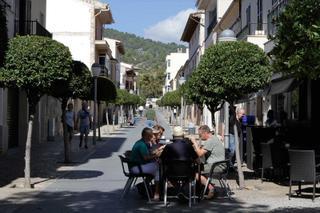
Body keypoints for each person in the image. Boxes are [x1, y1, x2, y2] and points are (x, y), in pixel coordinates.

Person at [160, 126, 197, 200]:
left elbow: (161, 159)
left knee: (165, 174)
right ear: (183, 136)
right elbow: (195, 158)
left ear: (173, 136)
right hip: (187, 173)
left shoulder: (168, 147)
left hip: (171, 173)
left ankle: (179, 189)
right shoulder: (189, 146)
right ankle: (182, 190)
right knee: (192, 174)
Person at [189, 125, 225, 199]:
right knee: (198, 167)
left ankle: (211, 188)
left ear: (205, 133)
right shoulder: (213, 138)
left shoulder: (210, 140)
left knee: (194, 172)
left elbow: (199, 153)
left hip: (217, 166)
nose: (200, 137)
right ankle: (204, 189)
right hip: (217, 164)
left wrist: (194, 142)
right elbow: (202, 150)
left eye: (200, 135)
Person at [130, 127, 163, 200]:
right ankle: (157, 193)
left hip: (135, 166)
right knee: (158, 167)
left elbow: (148, 154)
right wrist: (156, 155)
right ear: (146, 136)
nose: (152, 137)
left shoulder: (140, 142)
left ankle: (144, 184)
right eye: (151, 135)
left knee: (155, 167)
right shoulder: (142, 145)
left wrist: (155, 152)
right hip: (137, 168)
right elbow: (146, 158)